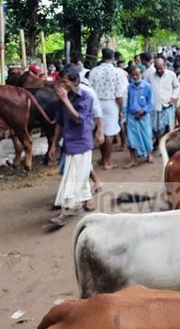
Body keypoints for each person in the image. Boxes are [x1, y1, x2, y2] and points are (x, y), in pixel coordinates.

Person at [49, 67, 96, 227]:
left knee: (72, 178)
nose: (62, 85)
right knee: (79, 175)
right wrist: (54, 144)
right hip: (69, 142)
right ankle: (89, 201)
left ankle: (65, 211)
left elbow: (78, 120)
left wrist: (65, 100)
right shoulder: (63, 100)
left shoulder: (86, 98)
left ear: (75, 82)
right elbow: (60, 123)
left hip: (82, 142)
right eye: (61, 82)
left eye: (65, 82)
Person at [88, 48, 126, 170]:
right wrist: (121, 109)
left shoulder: (94, 71)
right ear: (113, 57)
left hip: (96, 102)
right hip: (111, 103)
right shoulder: (118, 72)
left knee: (100, 130)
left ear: (102, 56)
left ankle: (103, 158)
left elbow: (90, 89)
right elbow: (119, 94)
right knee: (109, 132)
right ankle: (107, 161)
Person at [124, 67, 154, 168]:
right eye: (134, 75)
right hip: (131, 116)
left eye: (137, 75)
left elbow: (151, 103)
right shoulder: (129, 87)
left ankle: (149, 155)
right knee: (131, 138)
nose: (136, 77)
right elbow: (127, 103)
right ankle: (133, 159)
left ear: (142, 75)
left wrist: (142, 111)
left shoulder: (147, 87)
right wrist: (125, 116)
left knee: (147, 136)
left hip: (143, 116)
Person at [148, 57, 179, 140]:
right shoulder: (150, 76)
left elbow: (176, 87)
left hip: (168, 105)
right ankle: (156, 143)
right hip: (155, 106)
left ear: (165, 66)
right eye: (157, 68)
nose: (159, 70)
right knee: (155, 127)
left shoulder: (171, 75)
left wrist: (173, 97)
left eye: (161, 68)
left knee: (168, 126)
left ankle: (166, 144)